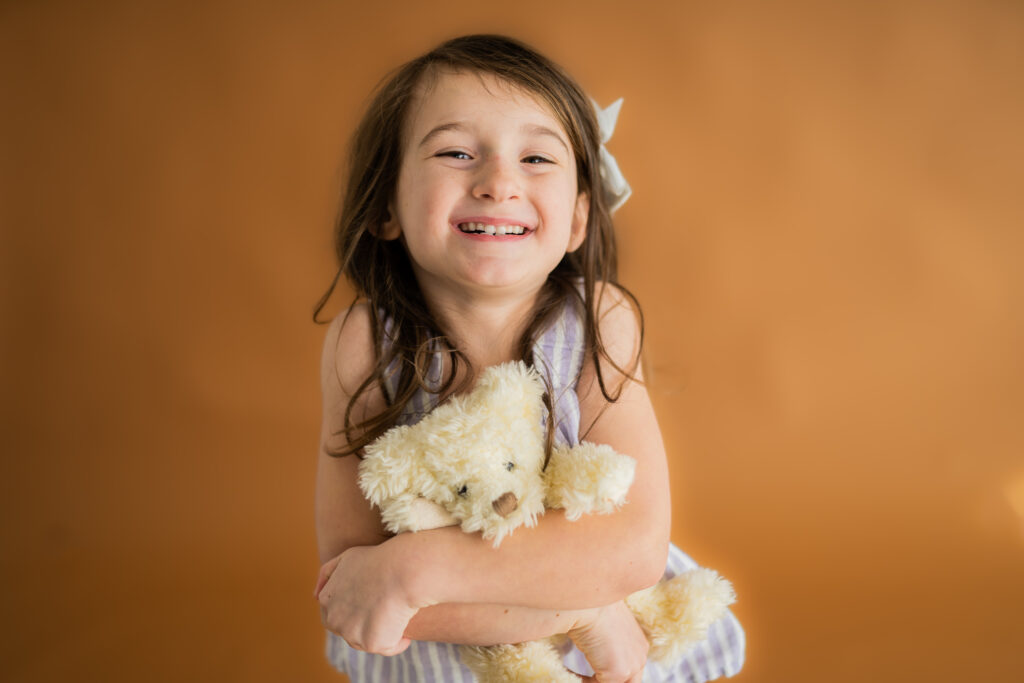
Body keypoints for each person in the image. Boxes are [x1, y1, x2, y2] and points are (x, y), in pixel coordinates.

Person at [313, 34, 745, 683]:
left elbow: (634, 550)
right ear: (384, 206)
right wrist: (581, 612)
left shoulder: (600, 321)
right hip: (438, 660)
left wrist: (414, 570)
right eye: (457, 152)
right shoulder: (365, 341)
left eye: (537, 157)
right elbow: (350, 584)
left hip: (601, 657)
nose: (498, 182)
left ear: (576, 220)